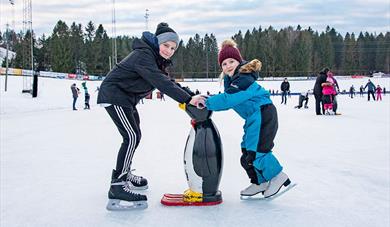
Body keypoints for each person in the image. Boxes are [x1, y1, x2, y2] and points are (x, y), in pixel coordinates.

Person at [97, 22, 205, 209]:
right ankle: (117, 185)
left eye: (173, 48)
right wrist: (188, 99)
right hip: (115, 95)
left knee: (134, 136)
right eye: (166, 45)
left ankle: (125, 172)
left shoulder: (155, 59)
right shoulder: (143, 55)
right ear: (157, 42)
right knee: (130, 136)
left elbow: (167, 81)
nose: (169, 50)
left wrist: (190, 94)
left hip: (126, 99)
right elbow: (161, 83)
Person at [205, 39, 290, 199]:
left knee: (258, 152)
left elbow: (228, 100)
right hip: (254, 117)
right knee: (247, 153)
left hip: (263, 114)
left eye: (231, 61)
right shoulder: (233, 80)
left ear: (239, 61)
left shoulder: (243, 78)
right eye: (224, 64)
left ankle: (278, 177)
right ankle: (260, 182)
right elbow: (228, 98)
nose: (228, 65)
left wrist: (206, 102)